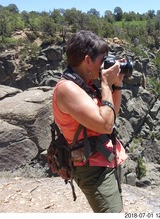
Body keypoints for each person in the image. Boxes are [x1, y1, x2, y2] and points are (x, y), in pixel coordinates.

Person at [52, 30, 128, 213]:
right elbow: (105, 125)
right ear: (87, 61)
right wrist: (105, 83)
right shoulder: (67, 90)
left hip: (105, 161)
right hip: (93, 170)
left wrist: (116, 84)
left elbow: (112, 115)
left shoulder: (85, 85)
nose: (104, 65)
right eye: (102, 60)